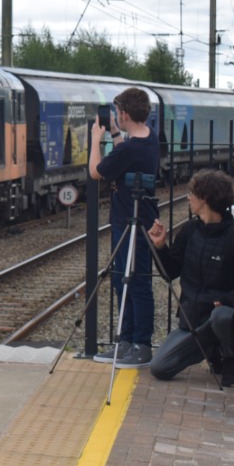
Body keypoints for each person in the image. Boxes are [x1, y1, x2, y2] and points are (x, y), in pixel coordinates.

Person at [148, 169, 234, 386]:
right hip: (193, 319)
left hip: (226, 317)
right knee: (160, 367)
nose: (188, 197)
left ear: (205, 199)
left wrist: (226, 301)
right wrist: (161, 247)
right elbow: (170, 272)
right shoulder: (190, 231)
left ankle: (231, 358)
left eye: (192, 193)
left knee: (220, 317)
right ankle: (213, 349)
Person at [88, 87, 159, 367]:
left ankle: (141, 345)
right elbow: (125, 156)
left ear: (125, 113)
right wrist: (116, 134)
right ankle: (127, 342)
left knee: (136, 283)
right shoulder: (147, 139)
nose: (115, 116)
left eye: (118, 112)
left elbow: (96, 171)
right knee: (122, 280)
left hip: (132, 222)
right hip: (134, 219)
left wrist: (97, 140)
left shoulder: (131, 148)